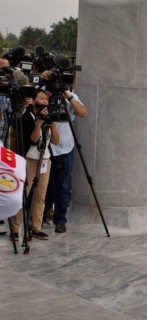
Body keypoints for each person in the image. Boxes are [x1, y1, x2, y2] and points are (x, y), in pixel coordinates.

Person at [9, 88, 60, 241]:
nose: (45, 101)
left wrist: (53, 126)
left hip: (45, 160)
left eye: (46, 99)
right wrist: (38, 125)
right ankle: (15, 229)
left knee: (40, 196)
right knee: (23, 195)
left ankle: (36, 227)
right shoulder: (26, 117)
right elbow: (33, 140)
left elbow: (56, 141)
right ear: (33, 100)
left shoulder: (49, 118)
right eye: (41, 98)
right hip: (30, 160)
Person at [43, 86, 88, 233]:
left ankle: (60, 220)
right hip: (45, 146)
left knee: (63, 185)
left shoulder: (71, 96)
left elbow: (82, 112)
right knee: (44, 184)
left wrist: (67, 95)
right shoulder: (43, 92)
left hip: (65, 147)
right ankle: (41, 215)